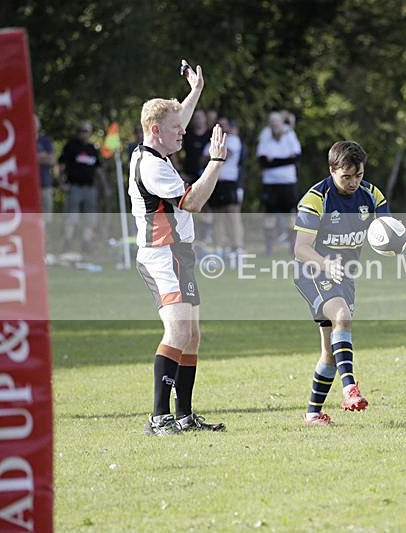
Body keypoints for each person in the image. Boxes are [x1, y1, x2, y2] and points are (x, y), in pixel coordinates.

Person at [128, 59, 228, 436]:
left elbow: (177, 119)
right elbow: (194, 202)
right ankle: (158, 418)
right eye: (176, 129)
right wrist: (215, 162)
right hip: (161, 252)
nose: (183, 132)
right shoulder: (152, 166)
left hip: (179, 252)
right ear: (156, 131)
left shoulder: (157, 148)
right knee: (177, 331)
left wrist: (195, 89)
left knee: (192, 334)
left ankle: (184, 415)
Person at [294, 140, 406, 426]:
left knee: (330, 353)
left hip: (344, 274)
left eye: (358, 175)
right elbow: (301, 248)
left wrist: (400, 236)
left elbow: (384, 230)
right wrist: (326, 264)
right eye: (346, 176)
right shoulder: (316, 198)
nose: (353, 182)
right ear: (332, 170)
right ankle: (350, 389)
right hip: (313, 270)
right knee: (342, 316)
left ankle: (313, 415)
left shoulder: (371, 194)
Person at [59, 120, 111, 254]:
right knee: (72, 216)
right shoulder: (71, 146)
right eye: (81, 131)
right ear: (78, 133)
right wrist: (61, 183)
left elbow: (98, 170)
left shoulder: (92, 149)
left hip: (90, 188)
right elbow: (60, 165)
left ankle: (86, 244)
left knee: (91, 217)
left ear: (90, 133)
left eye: (86, 131)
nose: (84, 134)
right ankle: (67, 243)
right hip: (75, 187)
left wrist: (105, 187)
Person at [201, 116, 246, 266]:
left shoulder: (233, 140)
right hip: (215, 182)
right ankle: (218, 249)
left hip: (229, 182)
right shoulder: (210, 142)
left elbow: (225, 155)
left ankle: (238, 247)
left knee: (233, 216)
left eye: (224, 124)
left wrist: (213, 156)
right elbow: (202, 160)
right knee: (217, 217)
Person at [257, 110, 302, 256]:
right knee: (269, 216)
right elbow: (263, 161)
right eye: (273, 125)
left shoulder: (290, 135)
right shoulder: (265, 135)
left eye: (278, 124)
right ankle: (268, 250)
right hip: (271, 183)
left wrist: (274, 160)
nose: (275, 128)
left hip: (287, 182)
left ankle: (293, 249)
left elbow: (295, 157)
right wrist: (284, 160)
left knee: (290, 215)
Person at [35, 114, 57, 225]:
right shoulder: (23, 140)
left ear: (39, 125)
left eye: (36, 122)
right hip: (29, 187)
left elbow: (52, 160)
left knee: (46, 220)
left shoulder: (45, 141)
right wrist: (42, 156)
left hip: (45, 185)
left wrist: (33, 157)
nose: (34, 124)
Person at [182, 108, 212, 183]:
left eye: (200, 117)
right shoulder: (186, 135)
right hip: (188, 176)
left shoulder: (212, 135)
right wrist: (179, 172)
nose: (198, 119)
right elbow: (174, 153)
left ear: (205, 118)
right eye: (195, 117)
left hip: (207, 176)